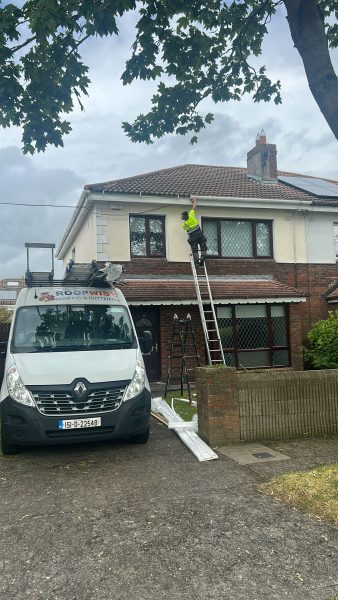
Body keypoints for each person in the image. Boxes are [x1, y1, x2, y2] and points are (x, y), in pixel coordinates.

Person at [181, 197, 208, 266]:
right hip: (200, 233)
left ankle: (196, 262)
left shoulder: (184, 224)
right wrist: (194, 201)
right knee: (203, 246)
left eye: (182, 216)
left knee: (194, 249)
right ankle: (203, 258)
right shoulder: (191, 214)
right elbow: (194, 207)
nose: (181, 217)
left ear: (184, 217)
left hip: (193, 236)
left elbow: (186, 229)